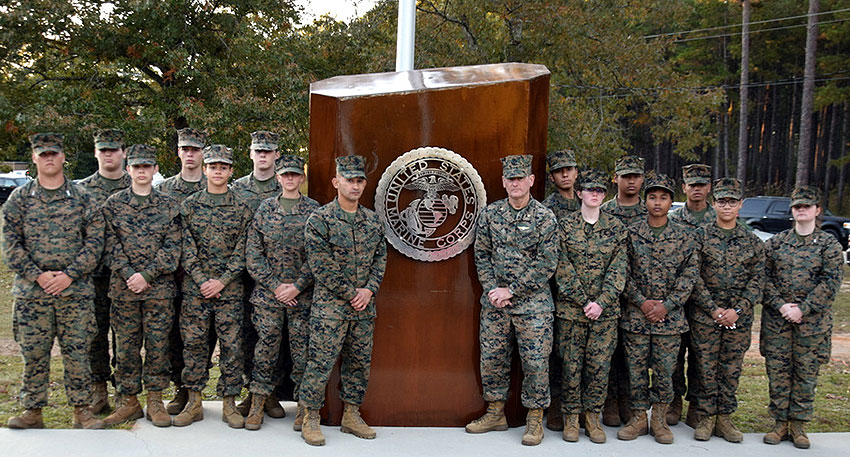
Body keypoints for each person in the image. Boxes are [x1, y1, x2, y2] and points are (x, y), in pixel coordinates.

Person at [4, 133, 105, 429]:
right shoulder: (19, 199)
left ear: (63, 157)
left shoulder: (83, 198)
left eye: (53, 153)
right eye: (42, 154)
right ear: (34, 158)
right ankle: (32, 411)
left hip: (75, 292)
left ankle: (81, 411)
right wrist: (39, 275)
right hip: (32, 293)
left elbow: (95, 243)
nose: (49, 158)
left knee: (78, 352)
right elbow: (11, 245)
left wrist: (69, 275)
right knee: (34, 353)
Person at [466, 154, 558, 446]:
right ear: (504, 182)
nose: (515, 183)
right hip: (495, 305)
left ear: (531, 181)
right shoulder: (491, 215)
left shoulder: (544, 217)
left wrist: (513, 290)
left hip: (533, 307)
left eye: (521, 178)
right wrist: (493, 289)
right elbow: (481, 254)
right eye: (510, 179)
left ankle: (533, 418)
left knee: (535, 362)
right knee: (492, 359)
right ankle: (495, 413)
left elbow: (547, 262)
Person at [298, 155, 386, 446]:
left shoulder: (372, 221)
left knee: (358, 362)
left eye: (360, 180)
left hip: (364, 308)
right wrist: (353, 293)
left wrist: (369, 290)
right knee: (320, 362)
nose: (355, 185)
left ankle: (351, 414)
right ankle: (310, 416)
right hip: (330, 309)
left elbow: (380, 260)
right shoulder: (320, 220)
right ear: (337, 182)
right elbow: (321, 266)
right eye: (349, 180)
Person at [173, 144, 253, 429]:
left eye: (223, 167)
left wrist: (221, 280)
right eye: (213, 166)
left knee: (232, 347)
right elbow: (186, 247)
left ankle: (230, 403)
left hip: (229, 290)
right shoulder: (190, 205)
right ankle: (194, 401)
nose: (217, 171)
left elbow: (244, 249)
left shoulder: (242, 207)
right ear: (205, 170)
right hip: (196, 290)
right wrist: (202, 279)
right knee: (194, 345)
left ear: (231, 171)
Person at [101, 144, 181, 427]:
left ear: (155, 169)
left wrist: (146, 275)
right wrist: (128, 273)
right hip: (124, 291)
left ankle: (156, 401)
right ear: (128, 170)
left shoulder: (169, 205)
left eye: (147, 167)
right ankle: (128, 401)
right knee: (126, 348)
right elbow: (108, 245)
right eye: (136, 167)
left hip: (158, 291)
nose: (142, 172)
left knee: (158, 346)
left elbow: (173, 248)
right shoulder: (113, 204)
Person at [617, 173, 698, 445]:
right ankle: (639, 418)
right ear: (646, 200)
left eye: (663, 197)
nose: (657, 202)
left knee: (665, 373)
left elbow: (689, 276)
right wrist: (641, 301)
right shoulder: (631, 233)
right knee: (636, 371)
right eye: (652, 197)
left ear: (671, 202)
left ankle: (660, 420)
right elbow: (621, 272)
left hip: (669, 321)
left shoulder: (684, 236)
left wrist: (667, 305)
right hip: (636, 318)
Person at [761, 186, 844, 449]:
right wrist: (781, 305)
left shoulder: (829, 244)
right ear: (792, 210)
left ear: (817, 210)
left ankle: (798, 425)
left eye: (807, 206)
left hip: (812, 324)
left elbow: (831, 282)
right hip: (778, 321)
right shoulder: (776, 243)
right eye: (798, 206)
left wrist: (803, 308)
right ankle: (779, 423)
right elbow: (764, 278)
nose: (802, 210)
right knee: (778, 372)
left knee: (806, 374)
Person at [245, 154, 319, 431]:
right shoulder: (264, 209)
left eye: (294, 175)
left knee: (302, 354)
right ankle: (258, 403)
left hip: (302, 296)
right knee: (265, 350)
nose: (290, 179)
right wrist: (276, 287)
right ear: (277, 178)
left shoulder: (314, 210)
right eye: (285, 174)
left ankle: (303, 407)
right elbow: (254, 254)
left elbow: (318, 255)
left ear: (301, 178)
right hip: (269, 297)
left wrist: (297, 286)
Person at [554, 169, 627, 444]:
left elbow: (618, 270)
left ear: (604, 196)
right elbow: (561, 267)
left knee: (599, 367)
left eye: (599, 191)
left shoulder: (617, 229)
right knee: (571, 367)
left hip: (604, 315)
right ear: (579, 193)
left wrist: (601, 303)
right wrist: (583, 301)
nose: (595, 194)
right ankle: (571, 417)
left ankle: (592, 417)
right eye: (590, 190)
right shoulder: (565, 226)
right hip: (572, 312)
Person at [689, 178, 763, 442]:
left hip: (737, 320)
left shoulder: (753, 242)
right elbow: (693, 276)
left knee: (731, 369)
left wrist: (738, 310)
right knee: (706, 369)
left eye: (732, 201)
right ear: (714, 204)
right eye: (722, 201)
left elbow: (758, 280)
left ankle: (725, 419)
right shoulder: (700, 237)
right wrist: (712, 308)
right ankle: (706, 418)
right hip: (706, 317)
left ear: (741, 205)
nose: (727, 206)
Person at [155, 127, 210, 415]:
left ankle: (201, 390)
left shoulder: (217, 183)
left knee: (208, 337)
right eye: (185, 149)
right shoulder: (163, 190)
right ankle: (182, 389)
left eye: (195, 149)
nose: (190, 154)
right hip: (171, 278)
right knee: (178, 338)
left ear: (203, 152)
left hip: (207, 280)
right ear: (178, 152)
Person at [77, 128, 132, 415]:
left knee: (127, 339)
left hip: (127, 279)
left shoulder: (138, 184)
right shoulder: (82, 190)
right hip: (93, 278)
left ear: (123, 152)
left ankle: (126, 395)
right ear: (96, 152)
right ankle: (99, 391)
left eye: (114, 149)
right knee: (94, 335)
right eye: (103, 149)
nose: (108, 154)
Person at [231, 131, 285, 419]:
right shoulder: (237, 188)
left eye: (269, 151)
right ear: (250, 154)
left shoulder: (286, 185)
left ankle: (271, 393)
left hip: (276, 279)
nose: (263, 155)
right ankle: (250, 392)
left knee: (273, 336)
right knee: (246, 336)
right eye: (258, 151)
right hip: (242, 276)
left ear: (277, 154)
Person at [599, 155, 646, 427]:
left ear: (642, 179)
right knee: (609, 353)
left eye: (636, 176)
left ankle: (630, 402)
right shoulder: (604, 212)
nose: (631, 180)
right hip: (609, 295)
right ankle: (610, 402)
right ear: (615, 178)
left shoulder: (651, 212)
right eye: (625, 175)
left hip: (638, 298)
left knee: (634, 356)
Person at [667, 163, 715, 426]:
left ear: (709, 187)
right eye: (692, 185)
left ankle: (696, 405)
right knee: (674, 354)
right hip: (677, 300)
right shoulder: (673, 220)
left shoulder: (719, 219)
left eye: (702, 185)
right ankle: (674, 400)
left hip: (705, 303)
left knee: (701, 355)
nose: (697, 189)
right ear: (684, 187)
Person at [541, 149, 580, 432]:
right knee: (558, 354)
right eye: (559, 171)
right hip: (556, 291)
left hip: (588, 292)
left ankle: (581, 409)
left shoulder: (588, 201)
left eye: (569, 169)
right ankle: (555, 407)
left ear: (576, 172)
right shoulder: (547, 208)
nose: (565, 174)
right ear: (551, 176)